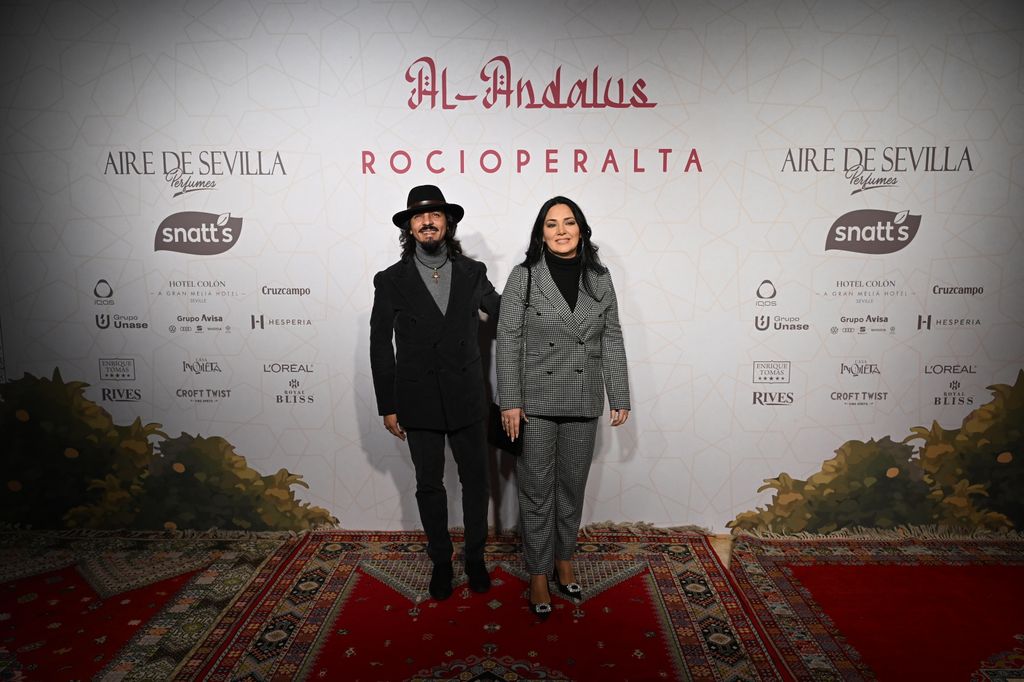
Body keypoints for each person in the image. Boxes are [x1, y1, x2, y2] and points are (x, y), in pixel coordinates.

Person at [496, 196, 631, 619]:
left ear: (581, 229)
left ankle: (564, 558)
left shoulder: (600, 278)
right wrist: (510, 401)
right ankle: (538, 573)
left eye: (568, 222)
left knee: (571, 488)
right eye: (551, 224)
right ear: (541, 233)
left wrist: (619, 394)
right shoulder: (524, 277)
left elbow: (612, 336)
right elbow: (508, 339)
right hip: (534, 401)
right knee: (536, 490)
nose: (560, 231)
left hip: (583, 397)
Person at [370, 184, 500, 600]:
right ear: (410, 226)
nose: (428, 221)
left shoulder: (473, 272)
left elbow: (502, 312)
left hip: (467, 395)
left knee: (476, 482)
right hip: (418, 397)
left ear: (448, 223)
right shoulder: (390, 280)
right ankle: (441, 561)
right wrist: (388, 405)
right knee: (429, 485)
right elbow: (380, 345)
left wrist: (539, 289)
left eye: (436, 214)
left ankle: (475, 558)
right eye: (419, 216)